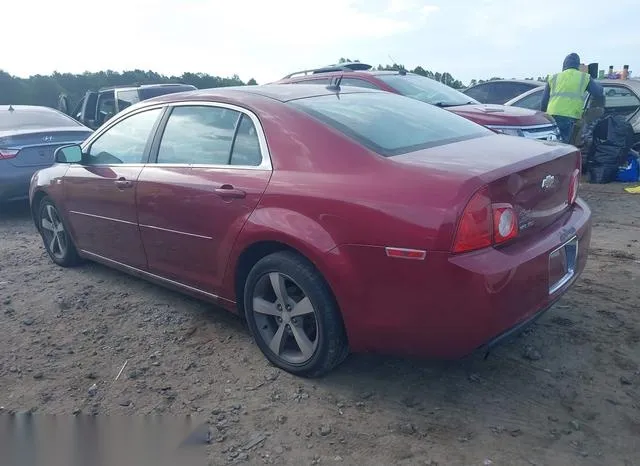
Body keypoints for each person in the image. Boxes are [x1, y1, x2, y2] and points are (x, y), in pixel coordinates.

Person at [541, 53, 604, 144]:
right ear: (578, 65)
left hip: (550, 117)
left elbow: (544, 102)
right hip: (569, 117)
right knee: (564, 147)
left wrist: (543, 115)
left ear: (564, 65)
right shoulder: (584, 77)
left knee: (551, 144)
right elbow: (598, 92)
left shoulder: (553, 77)